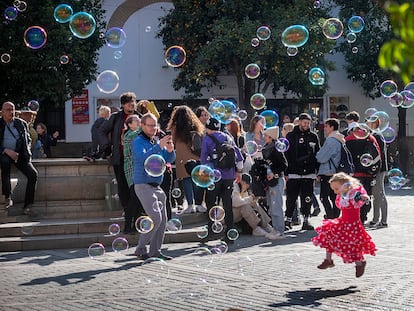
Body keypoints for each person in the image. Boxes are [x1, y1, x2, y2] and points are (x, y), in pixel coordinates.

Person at [312, 172, 377, 278]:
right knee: (329, 234)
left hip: (353, 224)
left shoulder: (355, 192)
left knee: (354, 245)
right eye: (333, 189)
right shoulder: (342, 195)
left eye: (336, 188)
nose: (335, 191)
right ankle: (328, 260)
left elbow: (362, 198)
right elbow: (339, 205)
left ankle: (360, 263)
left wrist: (363, 197)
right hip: (343, 221)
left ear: (344, 184)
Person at [133, 113, 176, 260]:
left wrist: (170, 150)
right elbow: (143, 158)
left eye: (155, 125)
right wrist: (159, 146)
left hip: (157, 185)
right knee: (156, 218)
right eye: (150, 125)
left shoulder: (154, 141)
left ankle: (155, 251)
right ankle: (140, 248)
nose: (153, 128)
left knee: (163, 220)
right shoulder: (138, 141)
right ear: (142, 126)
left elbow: (168, 160)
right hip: (143, 184)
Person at [200, 117, 244, 243]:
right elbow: (239, 157)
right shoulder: (228, 137)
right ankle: (230, 232)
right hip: (229, 176)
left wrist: (203, 174)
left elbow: (203, 159)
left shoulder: (207, 139)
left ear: (208, 128)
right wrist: (239, 172)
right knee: (227, 204)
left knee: (211, 204)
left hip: (214, 176)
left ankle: (212, 231)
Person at [98, 92, 139, 216]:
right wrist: (106, 147)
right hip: (120, 157)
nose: (131, 104)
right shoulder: (116, 117)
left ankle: (136, 212)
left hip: (137, 159)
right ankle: (127, 212)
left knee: (137, 187)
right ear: (122, 105)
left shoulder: (140, 117)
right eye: (128, 102)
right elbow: (102, 131)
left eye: (133, 101)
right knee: (122, 186)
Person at [0, 101, 38, 216]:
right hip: (4, 153)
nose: (11, 112)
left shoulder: (21, 123)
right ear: (2, 112)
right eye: (8, 110)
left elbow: (28, 139)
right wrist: (6, 151)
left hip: (19, 155)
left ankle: (28, 205)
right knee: (5, 163)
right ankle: (7, 196)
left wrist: (25, 152)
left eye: (12, 109)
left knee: (33, 174)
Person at [284, 113, 320, 230]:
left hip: (309, 171)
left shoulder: (313, 136)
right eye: (304, 123)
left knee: (307, 197)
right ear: (299, 122)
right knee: (291, 197)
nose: (306, 125)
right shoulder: (291, 136)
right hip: (293, 171)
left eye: (308, 123)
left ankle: (306, 219)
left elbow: (317, 154)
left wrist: (317, 171)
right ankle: (288, 219)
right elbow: (286, 154)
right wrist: (286, 172)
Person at [166, 105, 205, 213]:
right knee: (198, 181)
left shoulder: (176, 129)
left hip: (182, 159)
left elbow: (173, 142)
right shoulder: (196, 126)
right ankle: (199, 204)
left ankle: (190, 205)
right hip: (196, 157)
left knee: (186, 180)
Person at [345, 123, 381, 223]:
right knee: (366, 196)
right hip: (367, 174)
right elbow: (377, 156)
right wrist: (374, 171)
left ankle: (354, 218)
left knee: (352, 197)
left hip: (352, 174)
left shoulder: (347, 140)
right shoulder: (370, 139)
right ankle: (363, 217)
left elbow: (343, 157)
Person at [261, 126, 288, 239]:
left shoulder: (276, 149)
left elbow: (284, 165)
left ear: (271, 137)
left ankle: (280, 230)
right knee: (272, 206)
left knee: (277, 206)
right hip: (270, 180)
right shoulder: (266, 148)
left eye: (266, 136)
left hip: (277, 179)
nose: (264, 137)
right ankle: (275, 228)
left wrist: (274, 173)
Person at [316, 118, 344, 219]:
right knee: (334, 196)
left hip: (328, 172)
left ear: (332, 127)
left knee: (324, 196)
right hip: (336, 171)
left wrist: (318, 154)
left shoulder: (331, 140)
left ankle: (331, 215)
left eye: (326, 126)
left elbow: (321, 157)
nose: (325, 129)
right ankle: (335, 215)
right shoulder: (340, 139)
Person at [123, 114, 144, 234]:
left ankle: (134, 225)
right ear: (130, 124)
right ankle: (127, 226)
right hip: (132, 170)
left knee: (137, 199)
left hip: (137, 170)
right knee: (134, 199)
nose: (139, 122)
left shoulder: (137, 135)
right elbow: (142, 130)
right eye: (136, 120)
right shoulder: (130, 135)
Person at [366, 117, 389, 228]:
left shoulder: (377, 136)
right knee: (376, 194)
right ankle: (375, 219)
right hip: (377, 168)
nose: (366, 123)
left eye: (368, 121)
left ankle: (383, 221)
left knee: (380, 194)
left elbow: (377, 155)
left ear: (374, 123)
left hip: (379, 169)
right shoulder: (375, 135)